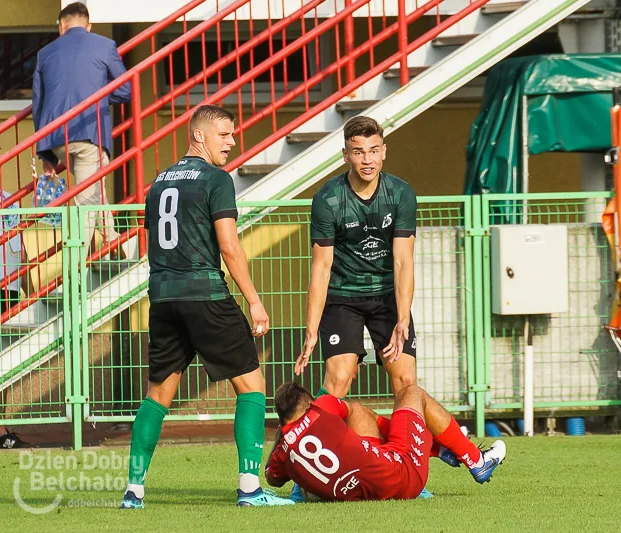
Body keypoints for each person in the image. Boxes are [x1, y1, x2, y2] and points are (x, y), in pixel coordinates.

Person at [119, 105, 293, 509]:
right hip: (205, 294)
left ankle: (133, 492)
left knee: (158, 395)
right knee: (251, 386)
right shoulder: (216, 179)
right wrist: (254, 301)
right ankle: (250, 489)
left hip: (162, 297)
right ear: (199, 136)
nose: (232, 142)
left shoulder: (159, 182)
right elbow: (229, 247)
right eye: (225, 135)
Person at [295, 115, 419, 398]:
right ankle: (317, 440)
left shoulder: (401, 194)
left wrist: (402, 319)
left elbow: (403, 261)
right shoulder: (328, 199)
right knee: (339, 378)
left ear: (384, 152)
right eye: (358, 152)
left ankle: (409, 443)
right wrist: (311, 330)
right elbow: (322, 267)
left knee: (406, 380)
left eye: (374, 151)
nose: (367, 160)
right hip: (342, 298)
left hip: (387, 296)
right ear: (345, 155)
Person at [265, 382, 506, 501]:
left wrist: (282, 435)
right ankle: (476, 460)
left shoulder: (281, 452)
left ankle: (440, 449)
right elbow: (342, 409)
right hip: (404, 478)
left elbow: (272, 479)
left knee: (358, 411)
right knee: (411, 393)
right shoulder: (321, 407)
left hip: (362, 491)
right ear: (308, 403)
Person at [32, 2, 131, 257]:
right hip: (90, 133)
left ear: (61, 25)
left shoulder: (45, 53)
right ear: (88, 26)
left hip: (57, 138)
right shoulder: (104, 45)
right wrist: (94, 97)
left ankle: (113, 241)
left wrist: (45, 154)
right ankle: (75, 275)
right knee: (86, 201)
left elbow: (38, 103)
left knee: (93, 189)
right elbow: (124, 90)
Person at [0, 144, 30, 449]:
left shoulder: (9, 200)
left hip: (9, 287)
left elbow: (21, 248)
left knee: (1, 361)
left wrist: (29, 287)